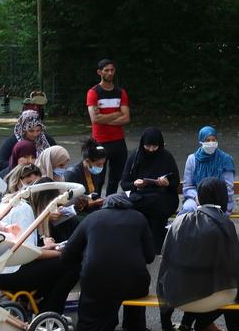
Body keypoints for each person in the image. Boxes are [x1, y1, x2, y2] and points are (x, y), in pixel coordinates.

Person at [60, 193, 156, 331]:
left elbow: (67, 254)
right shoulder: (139, 218)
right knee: (134, 272)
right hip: (134, 285)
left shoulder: (92, 218)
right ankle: (135, 326)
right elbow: (150, 256)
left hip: (95, 283)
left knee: (95, 284)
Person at [158, 178, 239, 331]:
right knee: (237, 282)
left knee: (196, 276)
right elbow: (235, 266)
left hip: (177, 298)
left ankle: (189, 324)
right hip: (213, 299)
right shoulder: (224, 223)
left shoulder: (179, 221)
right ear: (222, 196)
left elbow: (166, 261)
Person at [0, 179, 81, 314]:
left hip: (0, 269)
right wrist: (62, 253)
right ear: (46, 203)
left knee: (59, 264)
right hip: (9, 273)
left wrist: (49, 249)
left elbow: (20, 247)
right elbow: (27, 254)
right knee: (72, 265)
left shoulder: (13, 202)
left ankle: (40, 304)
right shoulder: (24, 210)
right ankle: (49, 311)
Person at [120, 128, 180, 249]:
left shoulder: (166, 157)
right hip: (141, 195)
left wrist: (166, 183)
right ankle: (142, 244)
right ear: (143, 144)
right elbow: (124, 183)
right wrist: (135, 184)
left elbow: (175, 182)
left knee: (157, 205)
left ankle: (156, 245)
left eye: (154, 147)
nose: (151, 150)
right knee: (138, 205)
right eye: (148, 146)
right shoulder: (136, 157)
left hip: (163, 196)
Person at [86, 58, 131, 195]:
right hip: (100, 141)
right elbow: (94, 118)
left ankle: (110, 205)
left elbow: (126, 118)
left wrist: (103, 118)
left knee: (115, 178)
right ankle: (96, 205)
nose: (110, 73)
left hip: (118, 141)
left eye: (112, 70)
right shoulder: (93, 92)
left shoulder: (121, 92)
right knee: (98, 178)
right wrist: (116, 113)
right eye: (106, 70)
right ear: (99, 72)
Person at [180, 126, 235, 214]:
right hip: (196, 199)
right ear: (201, 141)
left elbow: (228, 187)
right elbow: (188, 186)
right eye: (207, 140)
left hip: (219, 199)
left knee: (214, 215)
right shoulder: (192, 159)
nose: (211, 143)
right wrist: (196, 197)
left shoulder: (226, 159)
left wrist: (217, 200)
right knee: (188, 209)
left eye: (214, 140)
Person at [0, 110, 56, 176]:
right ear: (23, 130)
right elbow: (1, 163)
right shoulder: (12, 141)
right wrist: (19, 167)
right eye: (31, 131)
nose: (35, 134)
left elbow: (57, 156)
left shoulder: (46, 140)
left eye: (38, 130)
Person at [64, 138, 107, 217]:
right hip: (78, 214)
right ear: (87, 161)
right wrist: (94, 203)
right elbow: (70, 204)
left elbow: (95, 195)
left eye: (103, 164)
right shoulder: (72, 174)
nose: (102, 167)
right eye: (98, 164)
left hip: (92, 210)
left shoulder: (94, 172)